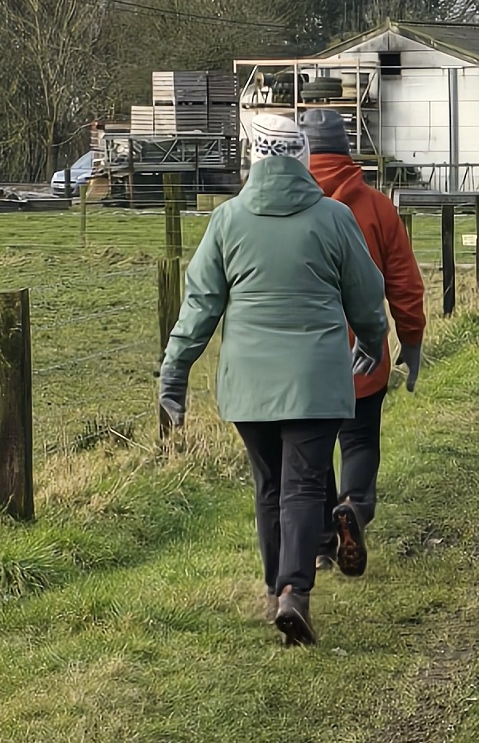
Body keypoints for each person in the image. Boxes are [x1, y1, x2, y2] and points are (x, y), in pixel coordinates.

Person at [159, 115, 389, 646]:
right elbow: (366, 295)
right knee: (304, 484)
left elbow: (200, 307)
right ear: (302, 158)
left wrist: (175, 370)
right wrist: (374, 345)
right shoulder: (333, 218)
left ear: (255, 157)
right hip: (315, 379)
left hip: (248, 384)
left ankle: (272, 593)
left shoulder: (226, 221)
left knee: (269, 486)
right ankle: (294, 591)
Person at [300, 107, 427, 580]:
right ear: (347, 151)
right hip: (364, 348)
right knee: (358, 441)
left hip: (305, 355)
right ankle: (354, 503)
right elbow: (404, 281)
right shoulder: (375, 206)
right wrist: (410, 339)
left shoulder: (286, 204)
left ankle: (318, 545)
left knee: (310, 453)